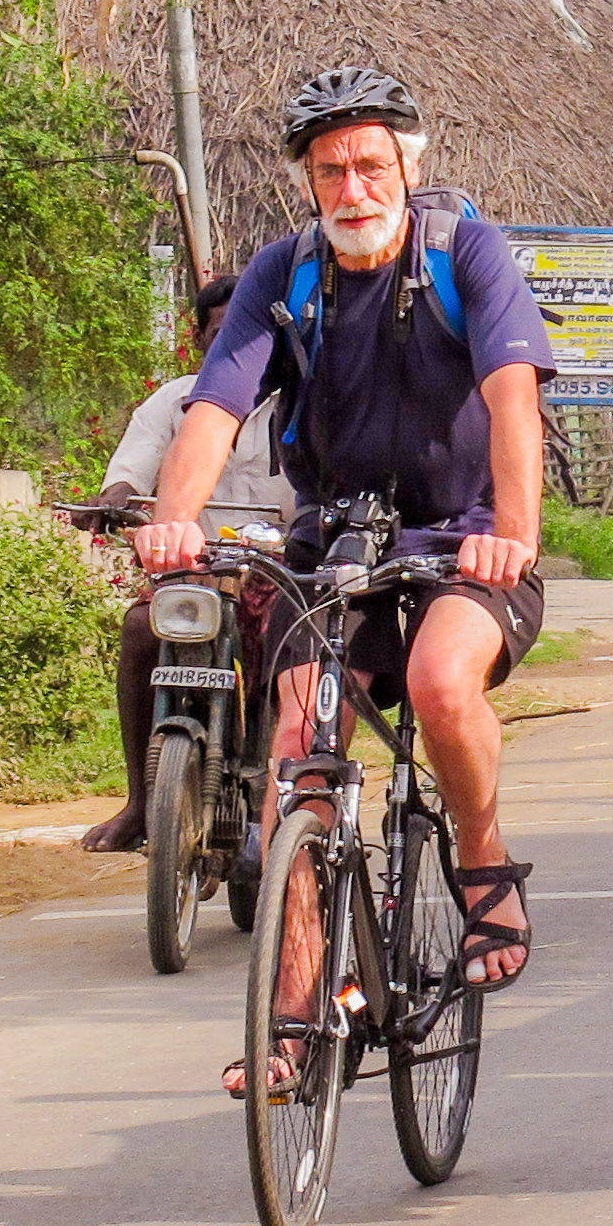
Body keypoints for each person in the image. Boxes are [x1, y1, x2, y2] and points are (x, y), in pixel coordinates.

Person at [137, 64, 562, 1051]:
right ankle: (295, 1013)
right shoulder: (282, 276)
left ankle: (483, 858)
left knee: (442, 684)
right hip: (337, 542)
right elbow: (214, 411)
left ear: (409, 166)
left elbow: (512, 398)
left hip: (468, 538)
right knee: (297, 758)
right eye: (332, 172)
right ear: (306, 181)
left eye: (372, 166)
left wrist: (516, 532)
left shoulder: (469, 252)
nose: (354, 191)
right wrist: (175, 521)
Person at [80, 275, 295, 856]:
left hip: (279, 571)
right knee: (138, 630)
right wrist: (115, 500)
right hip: (192, 569)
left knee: (289, 655)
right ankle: (138, 801)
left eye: (252, 335)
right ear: (200, 339)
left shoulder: (302, 401)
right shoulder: (173, 401)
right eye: (224, 334)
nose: (237, 347)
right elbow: (131, 470)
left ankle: (283, 795)